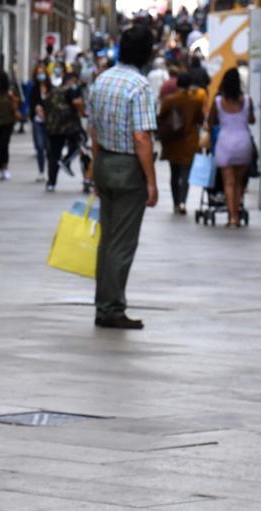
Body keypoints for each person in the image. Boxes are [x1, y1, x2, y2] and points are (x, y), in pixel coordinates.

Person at [87, 24, 158, 330]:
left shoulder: (101, 80)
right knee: (123, 243)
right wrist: (151, 181)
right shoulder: (139, 86)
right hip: (128, 168)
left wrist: (95, 164)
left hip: (104, 162)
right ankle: (113, 308)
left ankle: (103, 303)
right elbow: (142, 137)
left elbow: (93, 129)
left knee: (107, 239)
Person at [207, 68, 254, 228]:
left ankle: (232, 217)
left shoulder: (219, 102)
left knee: (229, 183)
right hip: (243, 142)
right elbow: (251, 120)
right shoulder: (247, 101)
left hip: (225, 142)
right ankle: (237, 213)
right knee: (240, 182)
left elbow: (210, 122)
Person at [158, 72, 206, 215]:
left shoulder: (169, 100)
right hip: (189, 141)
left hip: (172, 142)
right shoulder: (195, 101)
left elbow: (161, 118)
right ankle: (183, 202)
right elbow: (199, 120)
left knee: (174, 173)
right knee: (186, 174)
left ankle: (175, 202)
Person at [44, 71, 86, 192]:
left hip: (54, 127)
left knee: (54, 154)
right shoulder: (71, 89)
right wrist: (82, 112)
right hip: (69, 127)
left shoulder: (53, 91)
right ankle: (68, 161)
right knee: (81, 145)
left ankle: (51, 182)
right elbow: (76, 102)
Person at [29, 63, 53, 182]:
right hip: (37, 121)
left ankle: (49, 171)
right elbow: (31, 103)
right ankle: (41, 171)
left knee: (49, 148)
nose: (40, 75)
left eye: (42, 73)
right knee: (39, 146)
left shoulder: (51, 88)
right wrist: (36, 109)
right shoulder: (33, 89)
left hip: (49, 122)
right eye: (38, 73)